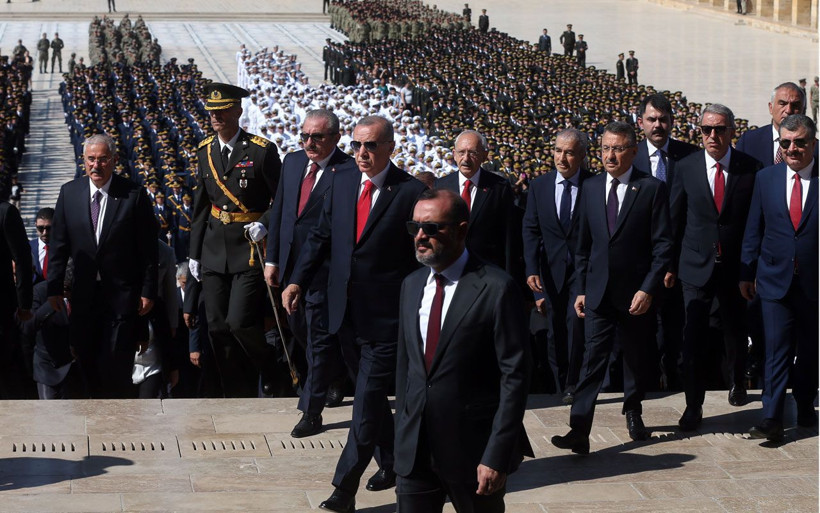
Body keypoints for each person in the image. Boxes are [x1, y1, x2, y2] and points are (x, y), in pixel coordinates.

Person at [282, 115, 426, 513]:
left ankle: (344, 489)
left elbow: (421, 259)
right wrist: (297, 280)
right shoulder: (343, 182)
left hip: (385, 320)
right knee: (374, 402)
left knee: (364, 403)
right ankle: (397, 464)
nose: (362, 153)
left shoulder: (410, 191)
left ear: (390, 148)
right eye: (358, 145)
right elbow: (320, 236)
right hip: (342, 313)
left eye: (372, 146)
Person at [394, 188, 532, 513]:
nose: (421, 237)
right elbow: (406, 368)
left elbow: (515, 377)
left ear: (461, 230)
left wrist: (496, 454)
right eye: (415, 228)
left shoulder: (496, 288)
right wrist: (402, 432)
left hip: (473, 454)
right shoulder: (411, 286)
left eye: (431, 228)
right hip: (415, 452)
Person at [551, 121, 672, 453]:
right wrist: (579, 289)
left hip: (636, 294)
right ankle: (579, 429)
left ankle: (633, 410)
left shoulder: (650, 189)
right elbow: (582, 247)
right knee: (592, 359)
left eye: (618, 148)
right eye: (605, 148)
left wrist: (648, 289)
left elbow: (663, 247)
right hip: (598, 292)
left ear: (633, 151)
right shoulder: (590, 188)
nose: (610, 155)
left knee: (635, 357)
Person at [669, 104, 763, 430]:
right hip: (695, 267)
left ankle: (737, 380)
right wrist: (669, 265)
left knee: (736, 333)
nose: (713, 135)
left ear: (731, 131)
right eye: (707, 129)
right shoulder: (686, 167)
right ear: (700, 131)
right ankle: (693, 405)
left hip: (736, 268)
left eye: (720, 129)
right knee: (692, 338)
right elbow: (674, 219)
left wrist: (752, 270)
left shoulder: (750, 169)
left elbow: (757, 223)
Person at [265, 109, 358, 438]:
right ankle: (332, 376)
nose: (308, 143)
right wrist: (272, 259)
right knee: (301, 331)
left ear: (335, 137)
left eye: (317, 137)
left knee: (317, 340)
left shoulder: (348, 171)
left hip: (325, 270)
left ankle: (311, 410)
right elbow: (280, 212)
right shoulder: (291, 163)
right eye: (304, 136)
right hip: (290, 265)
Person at [46, 134, 158, 399]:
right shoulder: (69, 193)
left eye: (103, 159)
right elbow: (59, 246)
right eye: (91, 159)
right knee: (86, 362)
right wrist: (53, 288)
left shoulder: (134, 195)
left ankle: (117, 427)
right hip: (83, 297)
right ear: (83, 161)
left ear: (115, 160)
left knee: (116, 366)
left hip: (121, 297)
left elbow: (147, 251)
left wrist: (148, 291)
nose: (96, 165)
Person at [188, 82, 282, 398]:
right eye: (213, 112)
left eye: (223, 110)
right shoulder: (205, 151)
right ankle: (234, 388)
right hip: (214, 247)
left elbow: (281, 199)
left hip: (248, 249)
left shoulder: (260, 150)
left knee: (240, 322)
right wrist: (193, 254)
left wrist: (265, 223)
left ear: (238, 111)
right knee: (216, 326)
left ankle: (270, 367)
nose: (217, 117)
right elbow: (200, 205)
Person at [741, 114, 818, 442]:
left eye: (800, 142)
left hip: (814, 283)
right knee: (776, 349)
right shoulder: (767, 179)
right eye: (786, 143)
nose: (792, 148)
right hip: (774, 279)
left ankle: (803, 402)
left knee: (811, 350)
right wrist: (746, 270)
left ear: (812, 142)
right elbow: (753, 227)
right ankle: (771, 417)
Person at [634, 93, 699, 390]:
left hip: (681, 265)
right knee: (641, 335)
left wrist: (671, 263)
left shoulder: (691, 156)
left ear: (672, 122)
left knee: (677, 334)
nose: (658, 125)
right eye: (651, 119)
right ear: (640, 123)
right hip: (639, 266)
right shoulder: (628, 157)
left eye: (663, 119)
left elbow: (693, 216)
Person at [523, 129, 591, 403]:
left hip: (582, 271)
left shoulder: (594, 185)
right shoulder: (539, 186)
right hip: (549, 272)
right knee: (553, 330)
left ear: (582, 155)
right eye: (558, 151)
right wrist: (531, 270)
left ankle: (573, 383)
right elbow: (531, 230)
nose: (562, 158)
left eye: (569, 152)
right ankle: (556, 382)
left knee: (576, 327)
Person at [435, 130, 520, 279]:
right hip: (449, 270)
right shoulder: (441, 185)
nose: (466, 159)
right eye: (461, 152)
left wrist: (509, 277)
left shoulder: (499, 187)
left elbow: (508, 236)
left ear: (484, 156)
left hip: (487, 271)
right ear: (454, 154)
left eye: (472, 153)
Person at [735, 82, 806, 167]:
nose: (789, 110)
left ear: (803, 110)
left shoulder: (814, 147)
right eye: (782, 104)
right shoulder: (748, 142)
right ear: (771, 107)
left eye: (795, 105)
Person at [29, 207, 54, 284]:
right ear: (35, 225)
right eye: (40, 228)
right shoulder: (28, 247)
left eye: (48, 228)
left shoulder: (66, 247)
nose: (44, 232)